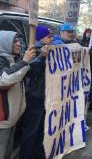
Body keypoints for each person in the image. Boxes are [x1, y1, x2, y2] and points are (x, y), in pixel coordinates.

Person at [0, 31, 36, 159]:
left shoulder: (12, 58)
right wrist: (25, 61)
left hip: (11, 119)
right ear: (4, 43)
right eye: (14, 41)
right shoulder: (1, 60)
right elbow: (4, 79)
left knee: (7, 152)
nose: (19, 44)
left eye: (19, 40)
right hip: (2, 121)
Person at [19, 26, 53, 159]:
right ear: (41, 37)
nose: (51, 39)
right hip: (35, 97)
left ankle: (38, 154)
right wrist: (42, 57)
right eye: (49, 36)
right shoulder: (32, 51)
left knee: (41, 130)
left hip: (45, 96)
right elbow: (29, 70)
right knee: (32, 131)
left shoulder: (50, 50)